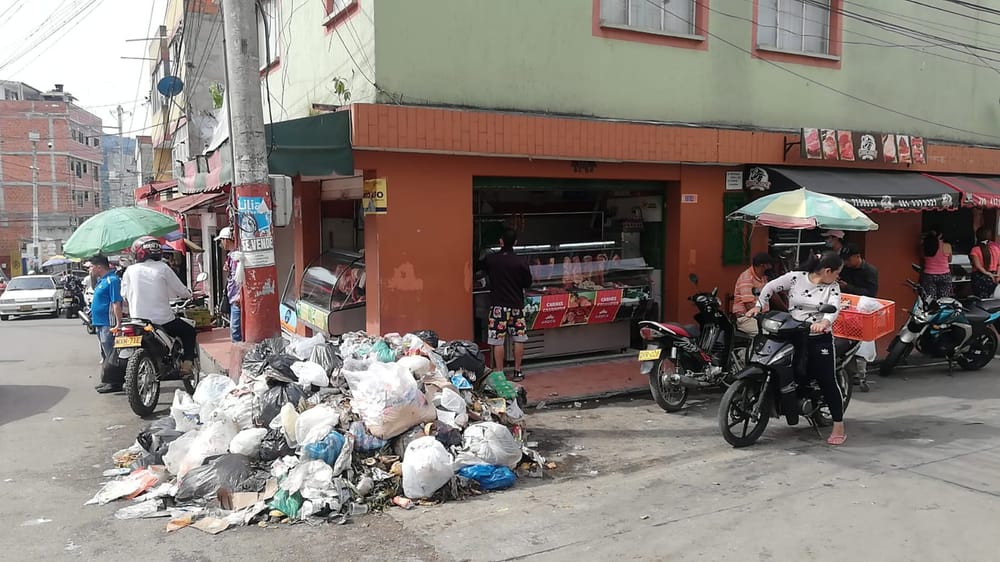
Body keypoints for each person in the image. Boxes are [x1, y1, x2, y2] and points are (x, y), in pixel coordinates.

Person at [746, 251, 846, 446]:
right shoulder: (795, 277)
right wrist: (759, 305)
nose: (837, 277)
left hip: (818, 338)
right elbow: (770, 287)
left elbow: (834, 308)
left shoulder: (832, 288)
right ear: (827, 271)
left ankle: (838, 425)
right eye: (837, 273)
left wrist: (824, 322)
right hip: (792, 333)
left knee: (827, 380)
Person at [121, 236, 197, 375]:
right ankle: (187, 365)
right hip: (162, 321)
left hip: (137, 321)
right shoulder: (163, 267)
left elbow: (124, 295)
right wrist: (189, 294)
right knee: (189, 331)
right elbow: (180, 290)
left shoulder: (130, 270)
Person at [482, 228, 532, 381]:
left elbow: (482, 271)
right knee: (519, 338)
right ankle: (517, 371)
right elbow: (527, 283)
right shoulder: (521, 261)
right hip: (516, 304)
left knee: (498, 340)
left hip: (498, 305)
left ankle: (500, 372)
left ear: (501, 241)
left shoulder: (491, 260)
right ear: (515, 242)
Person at [90, 255, 125, 394]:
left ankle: (115, 382)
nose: (90, 270)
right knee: (105, 354)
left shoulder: (112, 280)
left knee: (111, 353)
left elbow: (116, 303)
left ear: (99, 267)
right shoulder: (101, 281)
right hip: (100, 323)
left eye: (92, 267)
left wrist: (118, 323)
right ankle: (108, 380)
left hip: (108, 323)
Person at [732, 252, 774, 336]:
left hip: (761, 316)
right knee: (767, 334)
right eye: (769, 265)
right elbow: (748, 304)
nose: (771, 267)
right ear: (763, 265)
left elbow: (772, 294)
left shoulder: (763, 277)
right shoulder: (746, 278)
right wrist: (761, 316)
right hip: (746, 318)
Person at [215, 226, 243, 342]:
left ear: (226, 240)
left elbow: (241, 278)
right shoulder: (231, 256)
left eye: (222, 240)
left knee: (235, 331)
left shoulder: (237, 257)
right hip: (232, 296)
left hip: (236, 298)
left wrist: (240, 296)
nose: (221, 244)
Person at [920, 226, 953, 300]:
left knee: (930, 300)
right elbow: (949, 260)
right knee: (944, 300)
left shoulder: (924, 246)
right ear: (940, 235)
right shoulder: (947, 246)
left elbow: (922, 257)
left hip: (929, 275)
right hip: (945, 275)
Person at [969, 227, 1000, 298]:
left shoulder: (975, 250)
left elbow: (978, 266)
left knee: (980, 301)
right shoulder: (996, 249)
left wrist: (987, 273)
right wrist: (998, 276)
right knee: (992, 300)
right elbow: (999, 264)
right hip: (994, 277)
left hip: (979, 277)